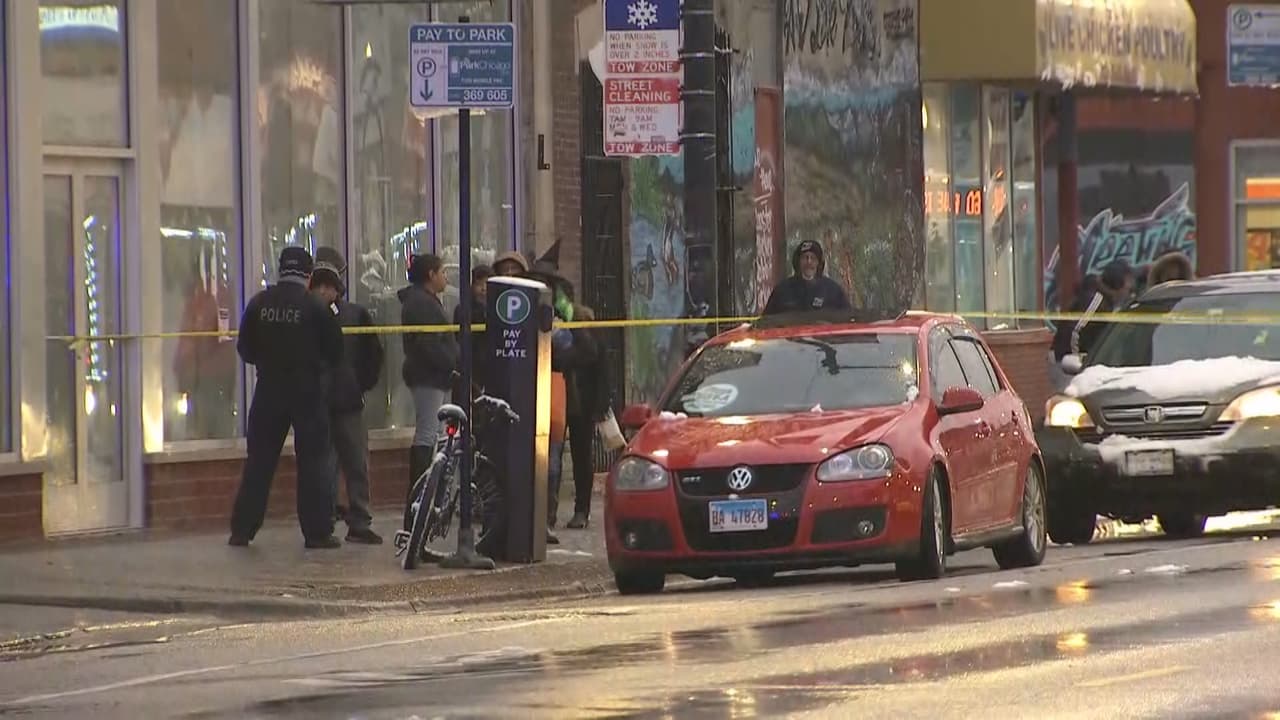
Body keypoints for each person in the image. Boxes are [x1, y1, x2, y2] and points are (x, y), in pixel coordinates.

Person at [229, 247, 345, 549]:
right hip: (307, 391)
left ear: (280, 270)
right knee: (313, 463)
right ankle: (317, 532)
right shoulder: (316, 307)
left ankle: (242, 529)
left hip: (269, 390)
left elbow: (245, 349)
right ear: (308, 275)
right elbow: (335, 350)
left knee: (259, 463)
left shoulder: (259, 303)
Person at [311, 248, 385, 545]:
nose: (324, 292)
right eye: (319, 286)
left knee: (356, 462)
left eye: (329, 286)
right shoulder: (308, 316)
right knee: (323, 464)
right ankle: (324, 519)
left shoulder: (355, 314)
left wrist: (360, 385)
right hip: (317, 403)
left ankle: (359, 519)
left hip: (348, 400)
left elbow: (373, 354)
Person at [399, 253, 459, 495]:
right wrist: (450, 363)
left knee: (441, 432)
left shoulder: (428, 300)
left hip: (437, 375)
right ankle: (420, 490)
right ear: (430, 275)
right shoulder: (421, 303)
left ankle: (435, 490)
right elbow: (428, 343)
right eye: (442, 272)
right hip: (429, 376)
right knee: (428, 431)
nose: (446, 277)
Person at [1052, 260, 1135, 362]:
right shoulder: (1095, 301)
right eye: (1128, 289)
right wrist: (1077, 361)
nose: (1129, 293)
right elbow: (1072, 331)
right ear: (1117, 285)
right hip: (1069, 364)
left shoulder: (1105, 302)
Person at [762, 239, 851, 315]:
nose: (809, 262)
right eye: (805, 257)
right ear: (798, 262)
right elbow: (766, 322)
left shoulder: (833, 290)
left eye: (813, 258)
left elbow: (847, 319)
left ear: (819, 263)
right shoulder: (782, 290)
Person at [453, 264, 493, 404]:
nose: (483, 289)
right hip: (471, 364)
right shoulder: (464, 309)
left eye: (487, 284)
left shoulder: (498, 309)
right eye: (479, 284)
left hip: (491, 365)